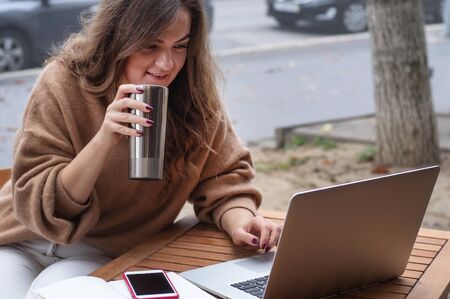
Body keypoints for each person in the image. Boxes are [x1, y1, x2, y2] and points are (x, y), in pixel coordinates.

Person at [0, 1, 282, 298]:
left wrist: (241, 220)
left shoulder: (193, 102)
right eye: (150, 46)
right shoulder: (66, 80)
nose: (166, 64)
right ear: (118, 38)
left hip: (100, 251)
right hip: (22, 237)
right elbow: (40, 198)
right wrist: (103, 140)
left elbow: (226, 179)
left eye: (180, 46)